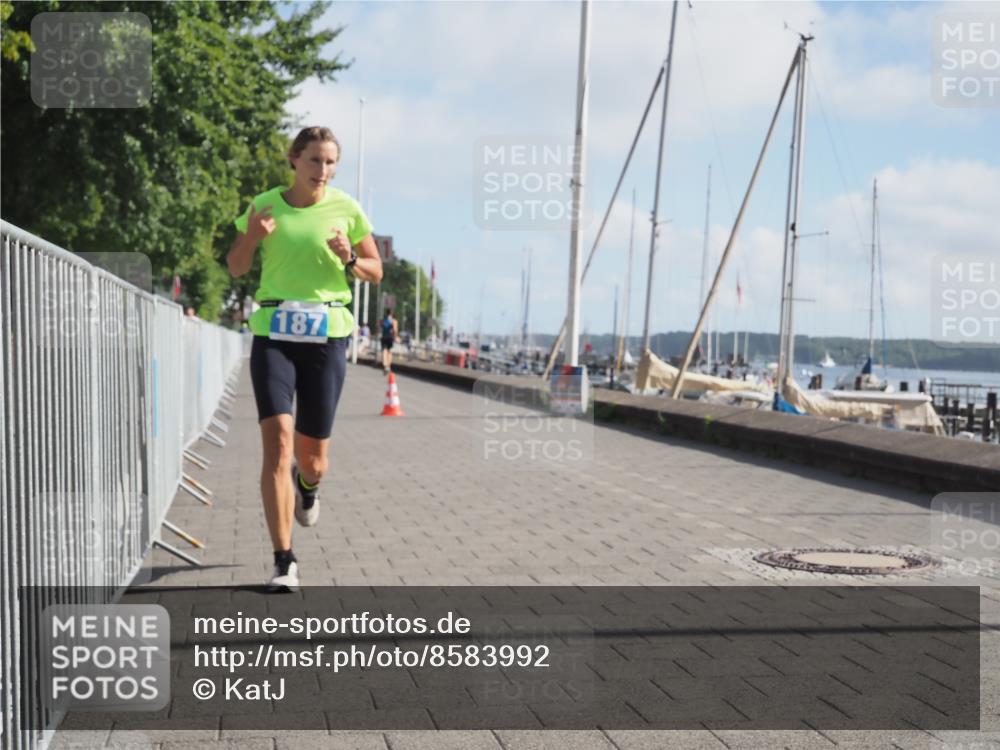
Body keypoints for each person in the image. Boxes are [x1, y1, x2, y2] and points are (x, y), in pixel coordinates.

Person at [226, 126, 382, 591]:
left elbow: (375, 271)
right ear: (294, 160)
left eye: (331, 162)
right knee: (277, 444)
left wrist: (350, 257)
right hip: (274, 333)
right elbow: (236, 266)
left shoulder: (347, 209)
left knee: (312, 461)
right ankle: (283, 560)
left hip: (327, 337)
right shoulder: (264, 205)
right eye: (314, 160)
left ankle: (308, 487)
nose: (323, 170)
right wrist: (251, 236)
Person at [380, 309, 399, 374]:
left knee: (384, 351)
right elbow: (395, 329)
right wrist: (396, 336)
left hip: (384, 337)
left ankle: (385, 365)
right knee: (389, 351)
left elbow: (379, 327)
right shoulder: (394, 321)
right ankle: (388, 366)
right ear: (392, 313)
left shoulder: (383, 320)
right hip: (390, 338)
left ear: (386, 313)